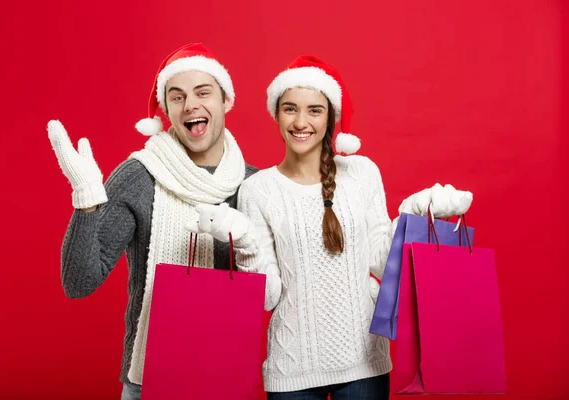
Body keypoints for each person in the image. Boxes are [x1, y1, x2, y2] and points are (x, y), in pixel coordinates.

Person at [187, 55, 472, 399]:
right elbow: (267, 297)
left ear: (330, 118)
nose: (301, 122)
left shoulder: (362, 173)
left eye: (315, 110)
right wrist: (244, 241)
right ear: (276, 114)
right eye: (290, 109)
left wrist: (414, 211)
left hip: (365, 364)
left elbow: (381, 262)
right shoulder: (257, 190)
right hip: (291, 371)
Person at [47, 43, 257, 400]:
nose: (190, 104)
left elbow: (278, 290)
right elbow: (79, 282)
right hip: (148, 382)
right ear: (167, 111)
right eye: (177, 97)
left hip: (226, 377)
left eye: (203, 92)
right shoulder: (139, 176)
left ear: (226, 101)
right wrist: (86, 201)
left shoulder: (254, 186)